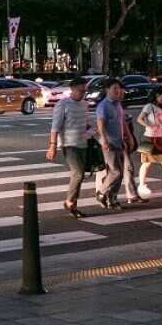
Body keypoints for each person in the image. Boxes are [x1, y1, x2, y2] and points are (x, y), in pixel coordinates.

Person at [47, 76, 94, 218]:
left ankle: (73, 204)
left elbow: (87, 124)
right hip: (69, 144)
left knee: (80, 175)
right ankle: (69, 202)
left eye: (85, 91)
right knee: (78, 173)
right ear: (73, 89)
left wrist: (91, 133)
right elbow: (55, 127)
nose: (83, 94)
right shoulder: (63, 104)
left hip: (83, 144)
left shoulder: (84, 105)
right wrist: (52, 145)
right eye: (81, 91)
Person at [95, 79, 129, 210]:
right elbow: (100, 124)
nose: (118, 91)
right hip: (108, 143)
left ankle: (112, 198)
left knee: (118, 172)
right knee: (116, 172)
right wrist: (104, 140)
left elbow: (122, 122)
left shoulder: (117, 104)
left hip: (119, 141)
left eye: (119, 89)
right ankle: (102, 192)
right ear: (107, 90)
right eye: (114, 88)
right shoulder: (103, 106)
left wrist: (128, 137)